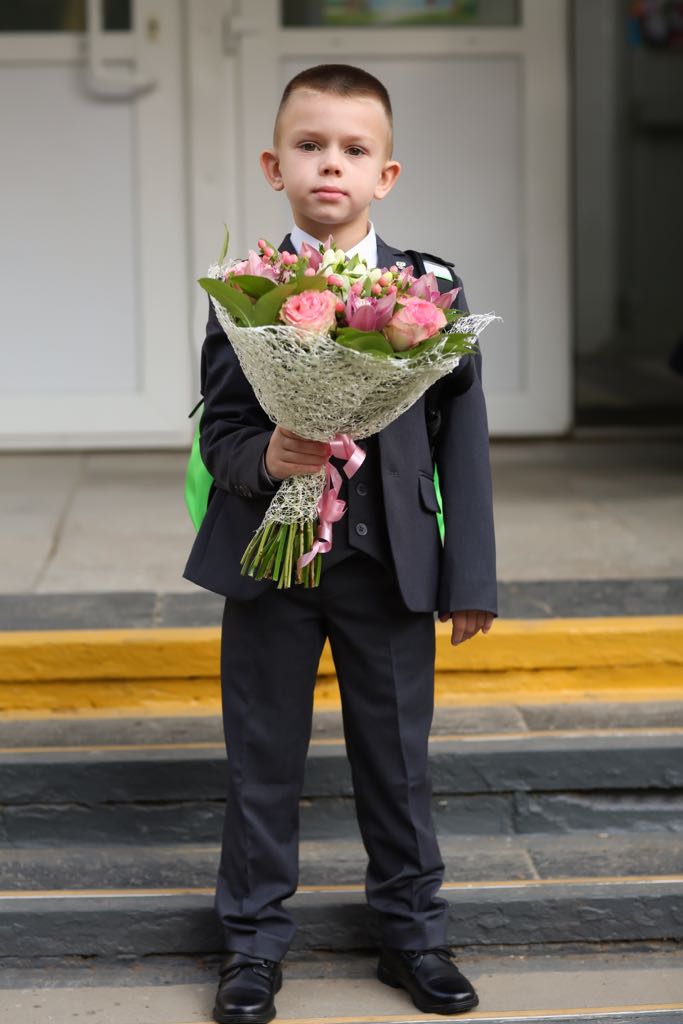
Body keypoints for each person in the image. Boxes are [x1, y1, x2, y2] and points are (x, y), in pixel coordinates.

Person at [184, 64, 497, 1024]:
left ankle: (414, 936)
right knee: (262, 760)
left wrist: (470, 574)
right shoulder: (245, 290)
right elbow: (219, 430)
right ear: (274, 166)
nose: (331, 165)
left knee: (398, 762)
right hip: (271, 569)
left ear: (384, 175)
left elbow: (462, 441)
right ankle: (250, 947)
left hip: (389, 566)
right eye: (310, 146)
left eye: (353, 150)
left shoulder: (429, 287)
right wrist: (266, 457)